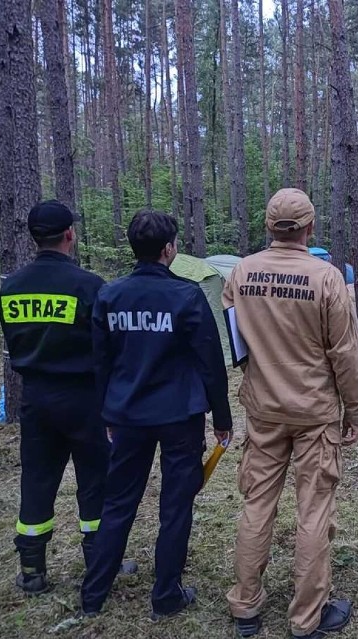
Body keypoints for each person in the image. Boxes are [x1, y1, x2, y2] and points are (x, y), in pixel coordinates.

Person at [223, 189, 358, 639]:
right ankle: (307, 617)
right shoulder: (326, 279)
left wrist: (261, 374)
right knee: (314, 509)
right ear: (310, 227)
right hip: (315, 411)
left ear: (269, 226)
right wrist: (354, 410)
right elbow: (344, 353)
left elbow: (237, 342)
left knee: (257, 504)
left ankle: (245, 605)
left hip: (264, 410)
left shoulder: (241, 273)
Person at [81, 210, 233, 620]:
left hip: (127, 415)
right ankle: (165, 594)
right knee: (176, 505)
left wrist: (106, 413)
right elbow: (210, 362)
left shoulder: (110, 295)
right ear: (169, 249)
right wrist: (223, 418)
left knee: (118, 503)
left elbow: (101, 363)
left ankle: (93, 595)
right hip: (178, 417)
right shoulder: (185, 296)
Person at [0, 200, 119, 595]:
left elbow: (14, 341)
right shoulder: (89, 286)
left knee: (36, 478)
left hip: (34, 399)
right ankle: (99, 564)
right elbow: (106, 348)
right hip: (83, 399)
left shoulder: (10, 287)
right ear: (70, 234)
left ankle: (32, 568)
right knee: (95, 480)